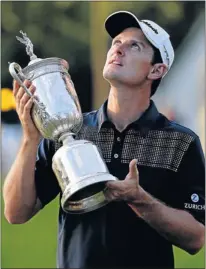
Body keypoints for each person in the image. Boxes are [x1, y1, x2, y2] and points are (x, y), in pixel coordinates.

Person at [3, 10, 205, 269]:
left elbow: (196, 237)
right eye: (116, 42)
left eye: (134, 46)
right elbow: (15, 212)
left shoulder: (181, 142)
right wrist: (30, 139)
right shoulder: (71, 131)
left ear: (157, 69)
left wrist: (139, 198)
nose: (118, 49)